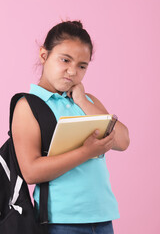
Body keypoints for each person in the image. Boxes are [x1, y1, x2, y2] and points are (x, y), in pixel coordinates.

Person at [11, 20, 130, 234]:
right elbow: (31, 171)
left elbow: (122, 141)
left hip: (103, 217)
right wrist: (87, 152)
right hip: (60, 221)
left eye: (82, 66)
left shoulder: (86, 101)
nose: (72, 71)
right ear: (44, 55)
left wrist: (83, 102)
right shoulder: (28, 106)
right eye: (65, 60)